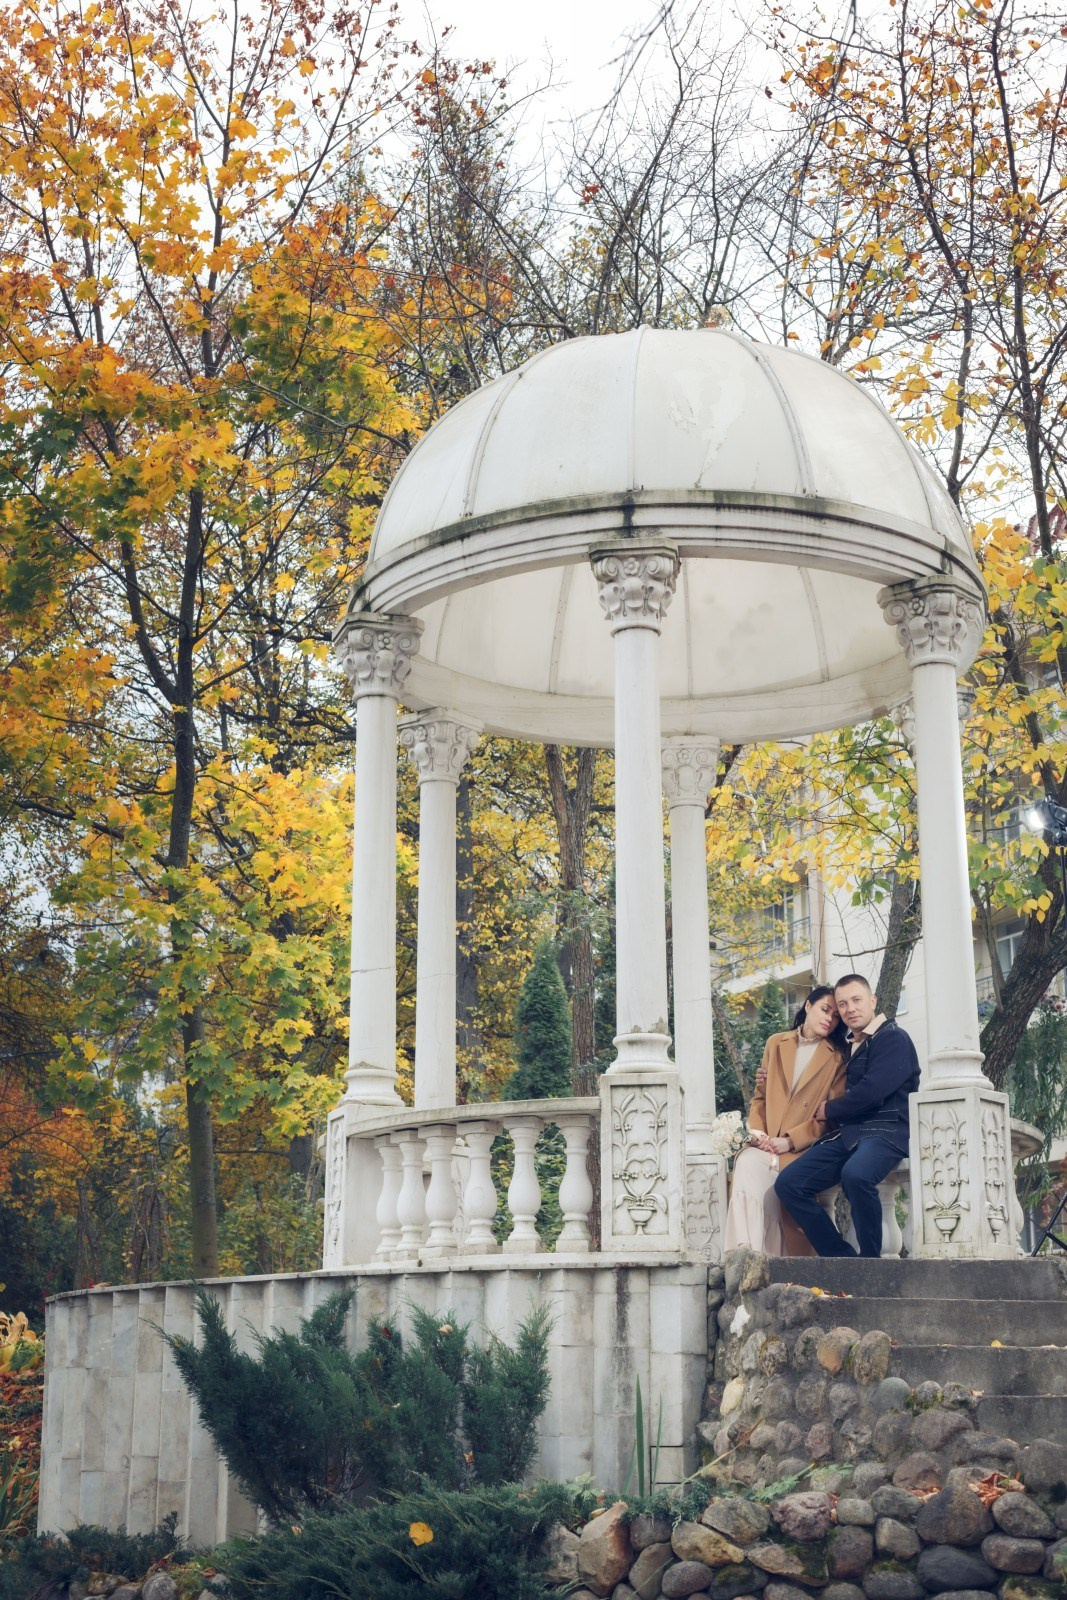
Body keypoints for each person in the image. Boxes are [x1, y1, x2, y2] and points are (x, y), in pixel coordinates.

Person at [773, 973, 920, 1258]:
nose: (849, 1008)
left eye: (856, 1000)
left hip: (887, 1132)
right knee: (789, 1184)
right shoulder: (851, 1045)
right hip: (849, 1136)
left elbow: (872, 1091)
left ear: (872, 1001)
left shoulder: (893, 1038)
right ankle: (842, 1257)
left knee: (856, 1175)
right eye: (842, 1004)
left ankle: (869, 1261)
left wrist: (831, 1108)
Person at [723, 986, 848, 1255]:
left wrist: (790, 1140)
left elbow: (832, 1116)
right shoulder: (776, 1043)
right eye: (825, 1010)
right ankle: (744, 1255)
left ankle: (775, 1261)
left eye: (836, 1016)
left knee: (780, 1189)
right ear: (807, 1006)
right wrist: (758, 1135)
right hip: (766, 1144)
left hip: (801, 1149)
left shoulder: (837, 1056)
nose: (830, 1019)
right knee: (745, 1163)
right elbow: (760, 1098)